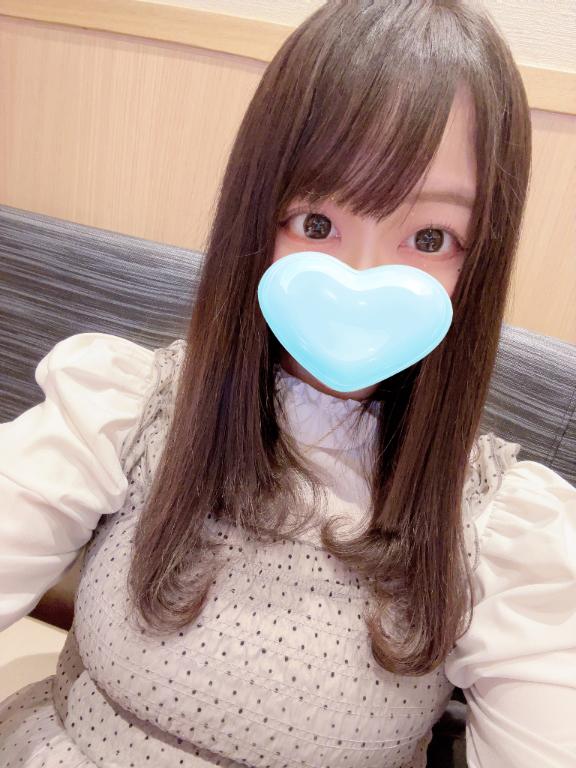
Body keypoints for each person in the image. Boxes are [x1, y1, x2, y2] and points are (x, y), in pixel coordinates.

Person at [0, 1, 575, 766]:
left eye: (430, 237)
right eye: (316, 224)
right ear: (258, 216)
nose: (359, 279)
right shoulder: (124, 406)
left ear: (480, 260)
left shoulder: (509, 533)